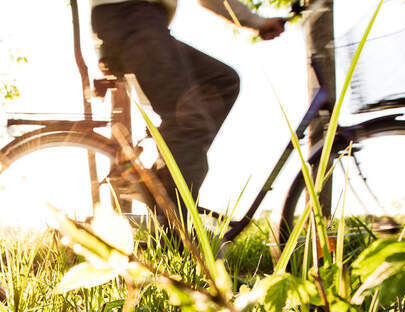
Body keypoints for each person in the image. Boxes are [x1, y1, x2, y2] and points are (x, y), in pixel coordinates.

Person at [90, 0, 286, 225]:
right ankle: (178, 235)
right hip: (133, 19)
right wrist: (257, 21)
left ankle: (164, 179)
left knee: (223, 81)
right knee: (189, 122)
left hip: (140, 23)